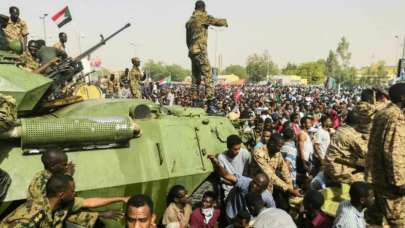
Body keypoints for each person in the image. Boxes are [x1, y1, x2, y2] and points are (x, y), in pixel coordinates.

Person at [26, 149, 128, 227]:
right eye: (64, 165)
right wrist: (100, 215)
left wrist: (121, 199)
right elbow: (60, 215)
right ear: (53, 167)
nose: (67, 167)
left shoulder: (47, 175)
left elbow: (86, 202)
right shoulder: (41, 190)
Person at [1, 173, 126, 227]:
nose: (75, 193)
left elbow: (66, 215)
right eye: (72, 191)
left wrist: (101, 214)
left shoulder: (54, 205)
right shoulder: (28, 220)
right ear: (61, 194)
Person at [366, 83, 405, 227]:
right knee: (398, 222)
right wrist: (401, 183)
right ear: (402, 97)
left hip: (376, 177)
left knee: (374, 221)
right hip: (391, 186)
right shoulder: (397, 117)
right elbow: (393, 152)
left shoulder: (382, 113)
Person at [186, 0, 228, 115]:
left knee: (195, 78)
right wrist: (225, 22)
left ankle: (194, 103)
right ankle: (211, 105)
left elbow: (187, 40)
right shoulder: (203, 17)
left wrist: (191, 49)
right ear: (203, 8)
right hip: (200, 51)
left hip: (192, 51)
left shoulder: (189, 22)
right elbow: (217, 22)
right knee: (208, 75)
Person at [207, 155, 276, 220]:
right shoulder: (245, 182)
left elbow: (273, 213)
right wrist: (216, 164)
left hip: (248, 222)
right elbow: (227, 175)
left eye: (258, 185)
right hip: (233, 215)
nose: (254, 185)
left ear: (263, 189)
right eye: (254, 182)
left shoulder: (267, 197)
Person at [251, 133, 300, 211]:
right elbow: (270, 175)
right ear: (271, 143)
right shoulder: (259, 153)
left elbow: (284, 170)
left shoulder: (277, 153)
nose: (280, 149)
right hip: (257, 189)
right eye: (279, 146)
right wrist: (288, 189)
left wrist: (290, 187)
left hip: (271, 187)